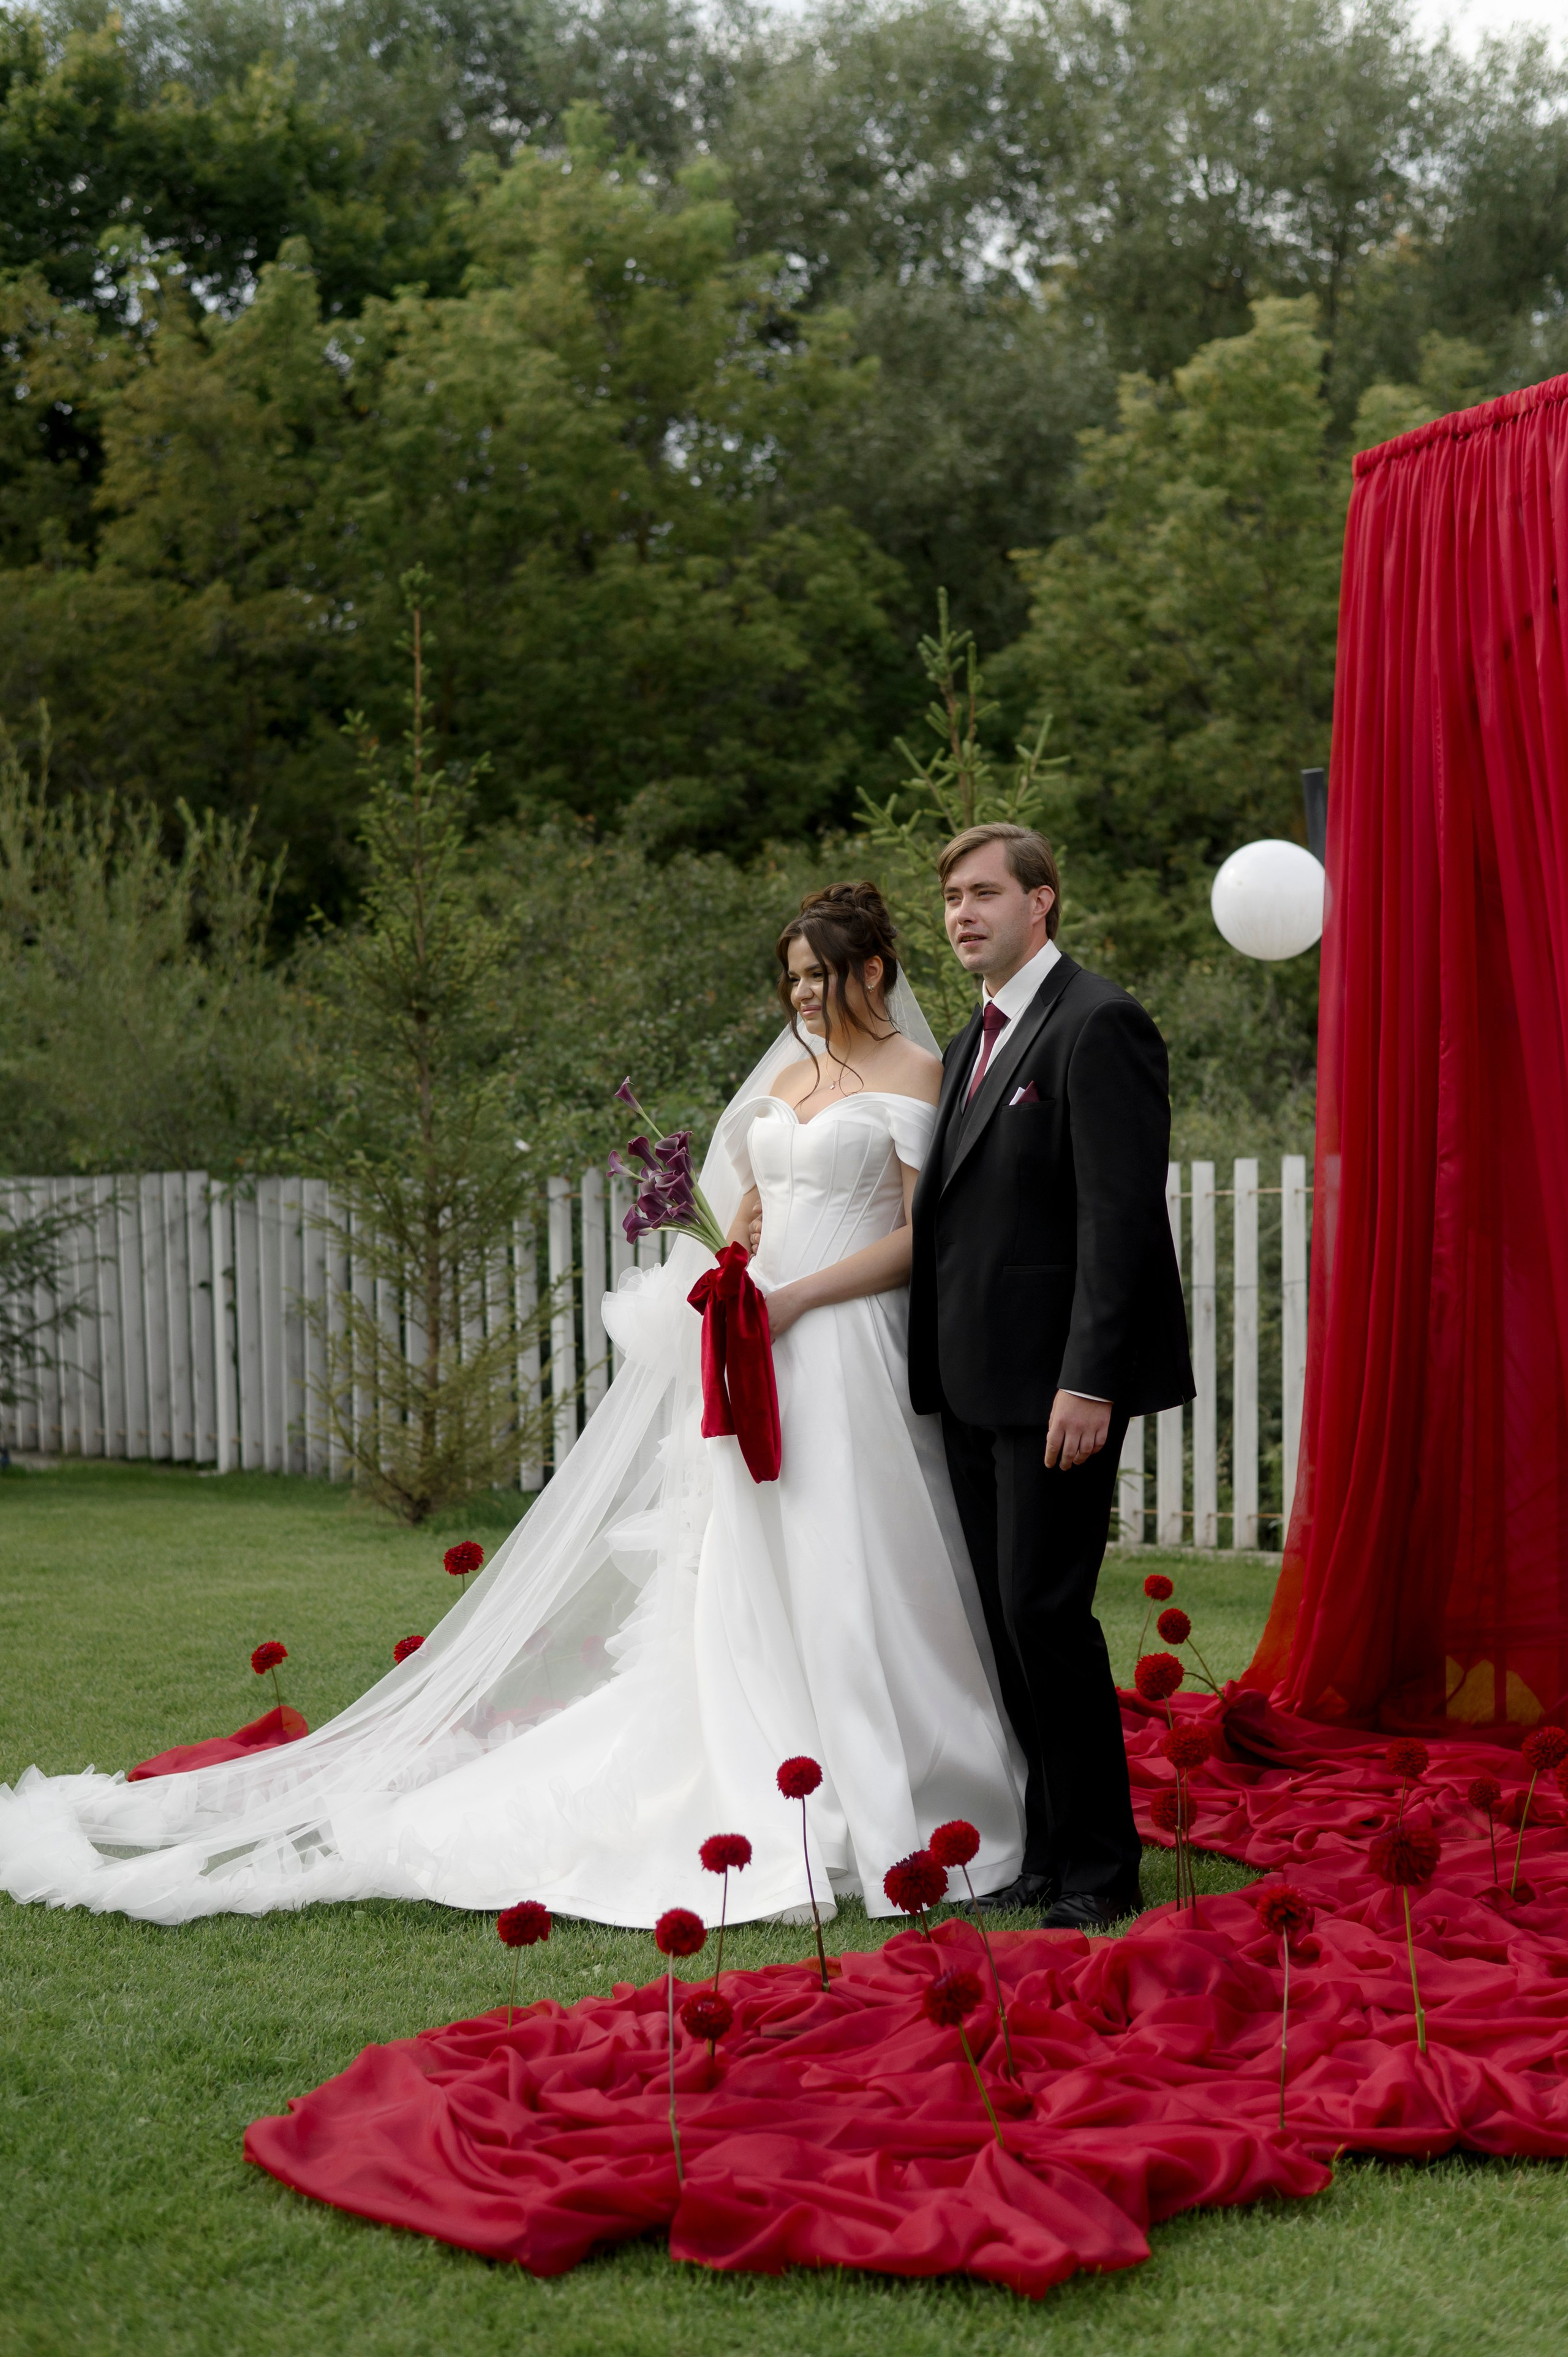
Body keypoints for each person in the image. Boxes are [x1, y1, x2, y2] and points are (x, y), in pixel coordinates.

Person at [0, 883, 1025, 1928]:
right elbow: (764, 1201)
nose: (805, 995)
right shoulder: (794, 1077)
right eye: (793, 977)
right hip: (755, 1342)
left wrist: (802, 1291)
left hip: (845, 1344)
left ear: (874, 971)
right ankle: (769, 1755)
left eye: (822, 974)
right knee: (750, 1559)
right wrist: (752, 1231)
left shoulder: (920, 1073)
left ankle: (889, 1782)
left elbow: (916, 1234)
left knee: (856, 1556)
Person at [909, 823, 1194, 1932]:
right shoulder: (966, 1042)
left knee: (1046, 1612)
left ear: (1043, 903)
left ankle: (1100, 1869)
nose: (962, 914)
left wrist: (1091, 1380)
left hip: (1058, 1392)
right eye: (950, 899)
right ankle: (1046, 1849)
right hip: (975, 1384)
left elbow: (1116, 1220)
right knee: (1006, 1620)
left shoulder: (1099, 1023)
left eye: (984, 894)